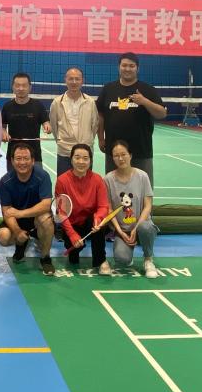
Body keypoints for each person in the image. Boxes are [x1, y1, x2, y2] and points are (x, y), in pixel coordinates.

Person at [97, 52, 167, 182]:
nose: (127, 69)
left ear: (137, 68)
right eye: (124, 65)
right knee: (113, 187)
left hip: (141, 150)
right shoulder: (108, 89)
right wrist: (101, 138)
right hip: (114, 150)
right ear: (119, 67)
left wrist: (145, 101)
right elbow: (100, 114)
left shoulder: (148, 90)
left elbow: (162, 113)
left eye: (131, 66)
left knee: (142, 188)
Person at [0, 142, 56, 276]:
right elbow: (6, 212)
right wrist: (17, 231)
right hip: (16, 220)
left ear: (33, 160)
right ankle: (21, 243)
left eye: (26, 158)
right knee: (3, 236)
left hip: (36, 219)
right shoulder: (5, 181)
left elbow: (46, 205)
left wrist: (20, 213)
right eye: (18, 158)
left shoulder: (43, 176)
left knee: (46, 219)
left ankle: (45, 258)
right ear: (12, 161)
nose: (22, 162)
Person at [55, 143, 112, 275]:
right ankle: (76, 247)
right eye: (77, 157)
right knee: (73, 258)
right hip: (72, 224)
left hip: (90, 222)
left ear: (90, 161)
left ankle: (101, 261)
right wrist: (72, 234)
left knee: (99, 226)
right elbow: (61, 213)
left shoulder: (97, 180)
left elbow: (103, 206)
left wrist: (98, 219)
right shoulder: (62, 181)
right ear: (71, 159)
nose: (81, 162)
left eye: (85, 158)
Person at [104, 140, 158, 279]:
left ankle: (148, 259)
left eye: (123, 154)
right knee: (122, 259)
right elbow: (109, 209)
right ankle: (128, 253)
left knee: (146, 227)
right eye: (116, 156)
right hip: (123, 229)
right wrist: (119, 231)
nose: (120, 158)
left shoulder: (142, 176)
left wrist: (136, 228)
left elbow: (148, 205)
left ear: (130, 155)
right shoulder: (108, 179)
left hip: (141, 225)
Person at [49, 66, 99, 176]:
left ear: (82, 81)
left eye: (77, 79)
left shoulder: (90, 102)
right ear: (65, 80)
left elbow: (94, 126)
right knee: (64, 183)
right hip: (65, 152)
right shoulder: (57, 102)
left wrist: (87, 140)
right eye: (71, 79)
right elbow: (54, 127)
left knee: (85, 184)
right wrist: (61, 141)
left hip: (85, 152)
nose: (74, 82)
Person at [1, 72, 50, 166]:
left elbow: (46, 122)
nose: (21, 88)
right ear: (13, 87)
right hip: (13, 155)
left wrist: (47, 126)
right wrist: (3, 132)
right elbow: (2, 127)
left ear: (30, 87)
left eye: (24, 85)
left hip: (34, 155)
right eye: (17, 85)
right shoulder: (7, 106)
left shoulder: (38, 105)